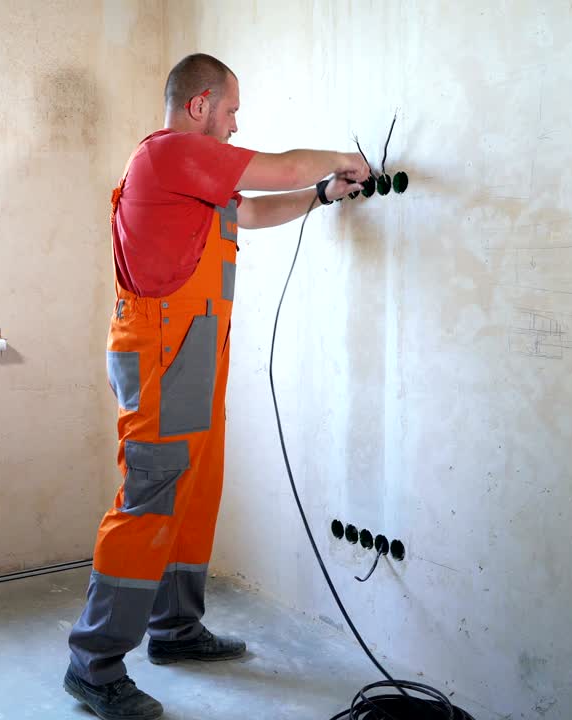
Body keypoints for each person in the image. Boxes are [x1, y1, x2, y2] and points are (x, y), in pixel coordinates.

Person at [64, 53, 371, 720]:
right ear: (199, 105)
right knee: (150, 495)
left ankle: (174, 630)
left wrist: (321, 197)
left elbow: (251, 214)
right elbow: (282, 166)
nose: (235, 125)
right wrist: (340, 160)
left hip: (195, 348)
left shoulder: (195, 182)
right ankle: (92, 664)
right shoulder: (169, 154)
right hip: (164, 352)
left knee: (195, 493)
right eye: (230, 111)